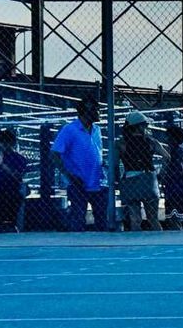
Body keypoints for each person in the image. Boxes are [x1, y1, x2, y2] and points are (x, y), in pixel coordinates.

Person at [52, 96, 110, 231]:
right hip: (78, 182)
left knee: (102, 220)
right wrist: (69, 175)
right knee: (78, 219)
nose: (98, 113)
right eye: (95, 110)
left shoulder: (96, 129)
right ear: (86, 112)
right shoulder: (70, 130)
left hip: (98, 181)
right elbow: (55, 154)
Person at [118, 112, 162, 232]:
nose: (146, 128)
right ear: (139, 126)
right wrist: (161, 173)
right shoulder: (151, 141)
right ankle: (159, 239)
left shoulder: (122, 143)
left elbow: (115, 163)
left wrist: (118, 180)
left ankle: (136, 239)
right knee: (153, 218)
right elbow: (167, 156)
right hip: (148, 178)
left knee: (135, 219)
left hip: (131, 178)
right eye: (144, 125)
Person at [160, 121, 183, 229]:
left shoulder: (175, 152)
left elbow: (178, 168)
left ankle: (178, 227)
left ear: (174, 139)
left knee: (174, 212)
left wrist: (164, 174)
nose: (166, 139)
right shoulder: (179, 151)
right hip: (177, 185)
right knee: (178, 210)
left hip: (175, 185)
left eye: (168, 137)